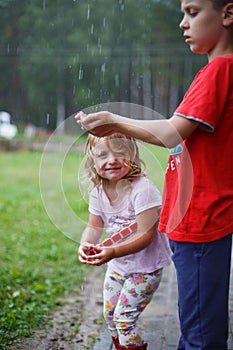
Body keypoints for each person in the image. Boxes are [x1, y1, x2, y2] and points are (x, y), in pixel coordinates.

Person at [75, 1, 233, 349]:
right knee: (196, 321)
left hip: (203, 218)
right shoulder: (214, 72)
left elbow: (171, 133)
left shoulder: (219, 71)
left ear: (227, 13)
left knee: (201, 334)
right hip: (196, 218)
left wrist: (115, 120)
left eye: (192, 12)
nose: (182, 23)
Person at [78, 133, 171, 350]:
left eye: (120, 153)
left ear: (133, 156)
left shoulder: (143, 189)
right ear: (93, 161)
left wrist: (112, 252)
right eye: (103, 154)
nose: (112, 159)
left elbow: (145, 235)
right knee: (110, 316)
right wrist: (85, 244)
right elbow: (94, 227)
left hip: (145, 269)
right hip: (118, 267)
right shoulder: (98, 192)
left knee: (124, 319)